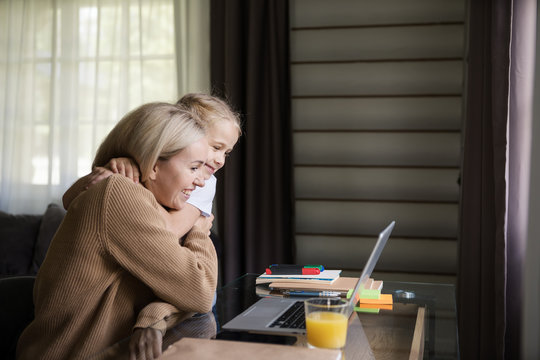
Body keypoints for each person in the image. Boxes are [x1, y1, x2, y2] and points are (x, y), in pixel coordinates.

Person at [16, 102, 218, 360]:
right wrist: (200, 229)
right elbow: (200, 292)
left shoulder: (151, 204)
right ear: (154, 164)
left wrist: (153, 316)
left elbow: (185, 292)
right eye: (193, 167)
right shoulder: (120, 195)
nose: (201, 181)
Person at [62, 93, 242, 240]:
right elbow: (69, 201)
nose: (221, 160)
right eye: (216, 148)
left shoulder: (205, 184)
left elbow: (170, 232)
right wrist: (112, 173)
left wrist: (126, 186)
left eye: (226, 153)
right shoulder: (146, 165)